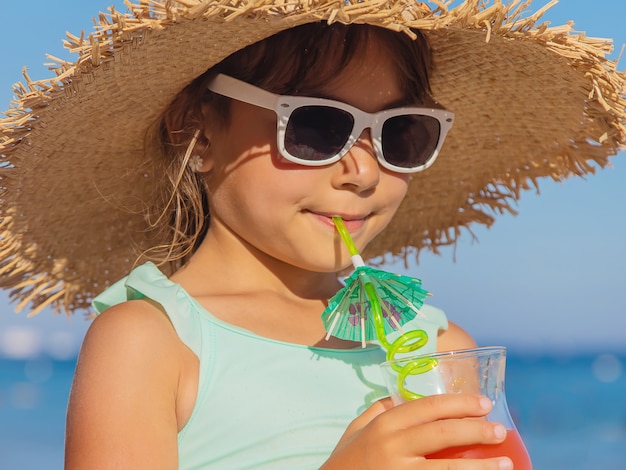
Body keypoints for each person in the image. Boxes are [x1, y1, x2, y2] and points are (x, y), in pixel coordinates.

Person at [0, 1, 623, 469]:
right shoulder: (152, 343)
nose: (363, 170)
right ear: (198, 131)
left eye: (401, 132)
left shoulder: (437, 345)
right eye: (318, 126)